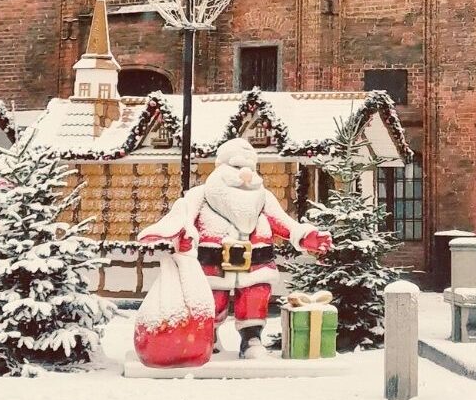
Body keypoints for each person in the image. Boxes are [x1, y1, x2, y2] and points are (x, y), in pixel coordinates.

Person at [138, 138, 332, 358]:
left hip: (255, 265)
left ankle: (251, 338)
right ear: (221, 167)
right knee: (211, 300)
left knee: (254, 298)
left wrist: (307, 236)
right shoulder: (199, 196)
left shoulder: (263, 198)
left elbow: (284, 223)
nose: (246, 174)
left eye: (250, 168)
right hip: (212, 265)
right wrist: (174, 236)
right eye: (238, 167)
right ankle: (207, 336)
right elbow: (179, 220)